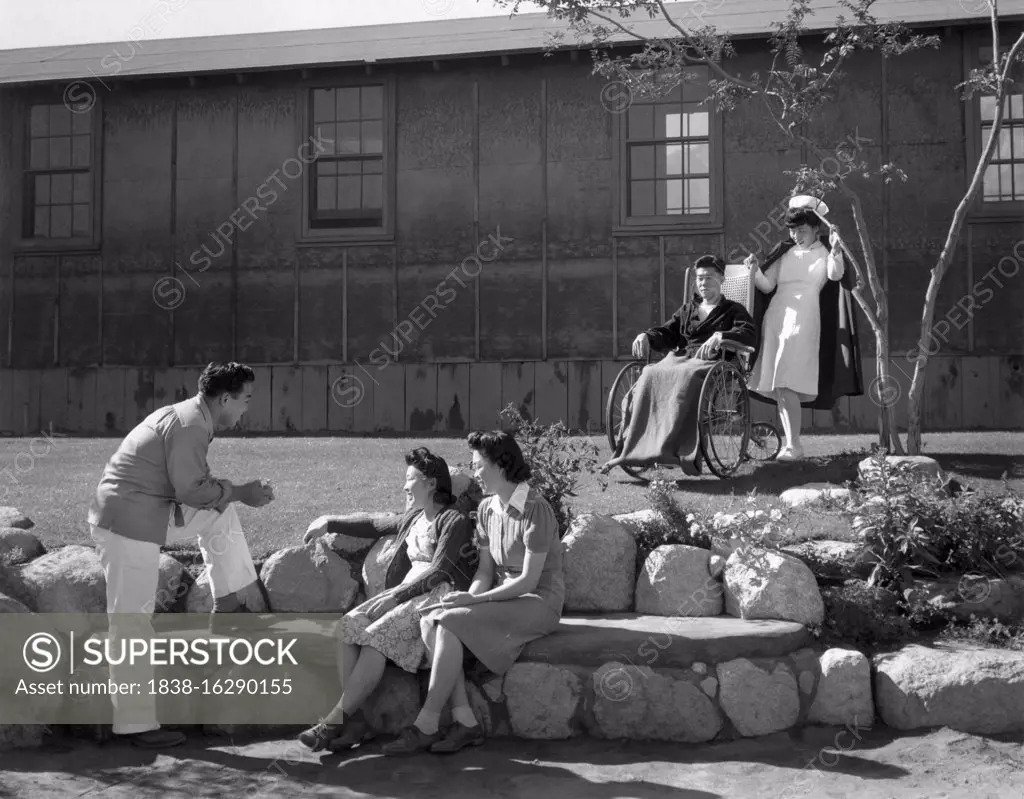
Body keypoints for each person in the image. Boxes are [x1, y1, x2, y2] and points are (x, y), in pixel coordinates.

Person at [87, 361, 275, 749]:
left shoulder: (193, 417)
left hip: (147, 511)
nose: (246, 409)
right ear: (224, 398)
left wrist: (233, 495)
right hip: (126, 524)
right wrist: (242, 491)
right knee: (131, 623)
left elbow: (199, 491)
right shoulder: (191, 425)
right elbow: (192, 490)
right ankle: (134, 724)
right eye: (245, 400)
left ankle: (227, 605)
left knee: (220, 514)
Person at [381, 430, 565, 756]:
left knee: (447, 621)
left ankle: (426, 724)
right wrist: (467, 596)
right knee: (432, 618)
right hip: (503, 597)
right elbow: (484, 572)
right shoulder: (486, 511)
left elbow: (528, 582)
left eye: (479, 465)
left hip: (539, 601)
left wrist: (474, 600)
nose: (474, 471)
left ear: (500, 465)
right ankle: (465, 720)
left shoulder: (537, 509)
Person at [297, 447, 477, 753]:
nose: (405, 486)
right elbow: (374, 524)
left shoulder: (453, 519)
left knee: (375, 638)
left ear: (431, 483)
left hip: (430, 596)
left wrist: (395, 597)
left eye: (411, 479)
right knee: (347, 626)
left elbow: (440, 570)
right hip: (404, 593)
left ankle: (331, 723)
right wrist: (329, 522)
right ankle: (355, 723)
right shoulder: (415, 517)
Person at [602, 254, 758, 474]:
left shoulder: (734, 310)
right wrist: (647, 335)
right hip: (682, 356)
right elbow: (668, 331)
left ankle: (673, 450)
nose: (704, 283)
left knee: (686, 376)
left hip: (714, 360)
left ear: (722, 280)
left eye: (710, 278)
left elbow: (748, 334)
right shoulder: (687, 310)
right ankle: (636, 446)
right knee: (649, 373)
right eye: (700, 278)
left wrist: (721, 336)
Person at [745, 195, 864, 460]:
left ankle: (794, 446)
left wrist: (835, 248)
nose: (796, 235)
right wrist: (754, 269)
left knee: (787, 380)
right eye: (792, 230)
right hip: (776, 316)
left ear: (816, 229)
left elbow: (836, 275)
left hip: (804, 316)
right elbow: (766, 286)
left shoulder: (825, 252)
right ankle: (792, 445)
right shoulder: (784, 251)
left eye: (802, 230)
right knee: (779, 385)